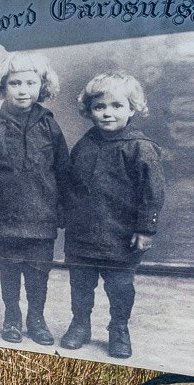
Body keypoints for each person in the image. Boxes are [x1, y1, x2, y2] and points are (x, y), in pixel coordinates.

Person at [60, 71, 166, 359]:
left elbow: (152, 192)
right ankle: (80, 325)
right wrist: (64, 217)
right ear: (89, 111)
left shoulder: (139, 148)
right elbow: (70, 184)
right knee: (80, 283)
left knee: (120, 287)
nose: (108, 113)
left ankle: (119, 328)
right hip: (82, 233)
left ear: (132, 108)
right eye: (99, 107)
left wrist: (146, 229)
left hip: (120, 236)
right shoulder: (85, 145)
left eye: (117, 106)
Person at [0, 52, 68, 345]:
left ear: (42, 86)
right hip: (5, 213)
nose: (23, 90)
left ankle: (36, 319)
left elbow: (63, 169)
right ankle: (11, 316)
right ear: (3, 86)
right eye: (15, 83)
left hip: (42, 213)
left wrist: (62, 206)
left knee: (38, 271)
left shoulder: (49, 125)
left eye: (30, 82)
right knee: (10, 268)